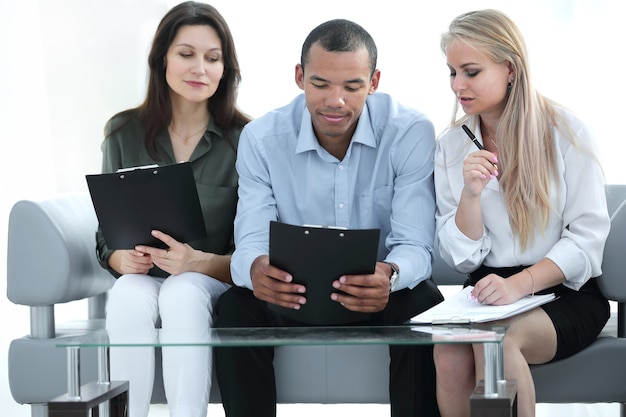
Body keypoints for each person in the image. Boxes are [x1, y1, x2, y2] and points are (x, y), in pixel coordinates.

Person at [213, 18, 444, 417]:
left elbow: (416, 246)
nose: (335, 101)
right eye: (320, 84)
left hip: (377, 294)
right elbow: (250, 237)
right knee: (236, 308)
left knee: (423, 302)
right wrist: (254, 269)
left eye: (352, 86)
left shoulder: (409, 132)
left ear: (374, 83)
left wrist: (389, 274)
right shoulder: (262, 138)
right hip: (291, 292)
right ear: (300, 77)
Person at [433, 9, 610, 417]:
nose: (458, 85)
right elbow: (462, 258)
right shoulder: (450, 146)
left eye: (471, 72)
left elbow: (586, 241)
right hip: (487, 289)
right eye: (452, 72)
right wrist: (471, 196)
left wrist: (522, 285)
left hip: (564, 292)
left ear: (509, 69)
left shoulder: (566, 132)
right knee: (448, 353)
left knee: (498, 339)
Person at [95, 2, 251, 417]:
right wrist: (119, 256)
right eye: (186, 54)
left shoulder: (246, 139)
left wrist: (197, 262)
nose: (200, 68)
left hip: (208, 279)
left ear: (225, 69)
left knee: (182, 292)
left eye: (213, 58)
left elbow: (251, 250)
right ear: (161, 58)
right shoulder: (122, 133)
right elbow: (104, 237)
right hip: (144, 278)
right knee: (127, 294)